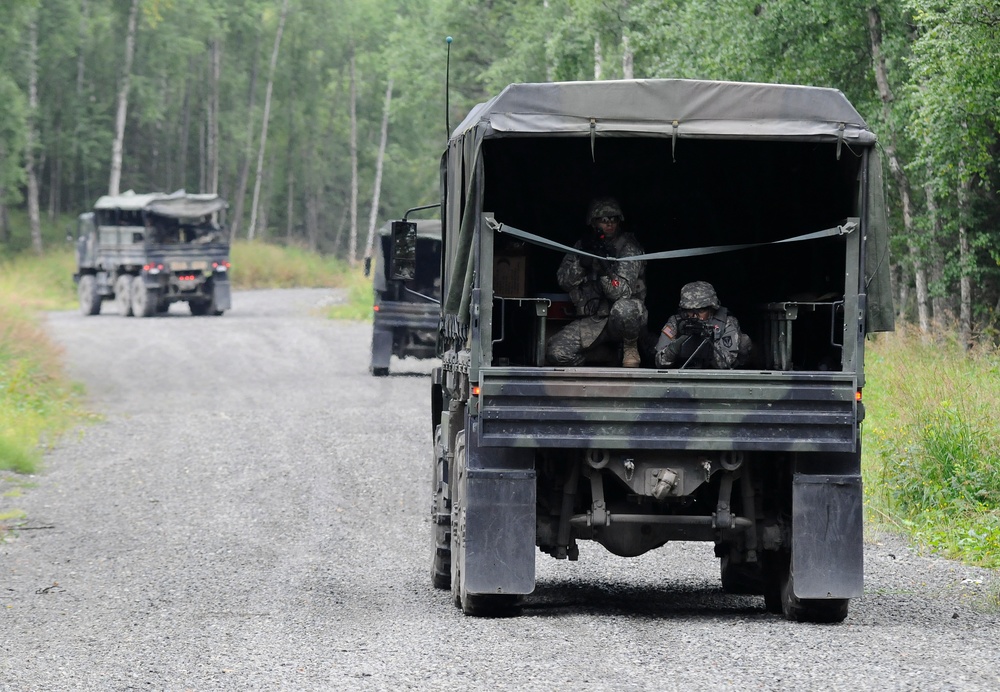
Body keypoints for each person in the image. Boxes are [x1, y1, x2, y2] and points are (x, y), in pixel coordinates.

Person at [546, 197, 647, 368]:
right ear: (593, 222)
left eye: (613, 219)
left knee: (626, 308)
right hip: (593, 321)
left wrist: (604, 271)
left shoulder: (628, 248)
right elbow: (563, 282)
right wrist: (581, 265)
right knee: (556, 353)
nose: (609, 224)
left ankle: (630, 348)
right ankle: (607, 356)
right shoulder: (583, 245)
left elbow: (621, 293)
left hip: (622, 322)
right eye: (603, 219)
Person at [655, 281, 751, 369]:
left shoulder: (726, 322)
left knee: (744, 341)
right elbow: (660, 361)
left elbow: (726, 362)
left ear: (711, 309)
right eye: (690, 310)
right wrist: (675, 347)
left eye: (701, 310)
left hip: (715, 374)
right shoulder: (676, 322)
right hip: (680, 373)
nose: (694, 316)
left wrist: (706, 339)